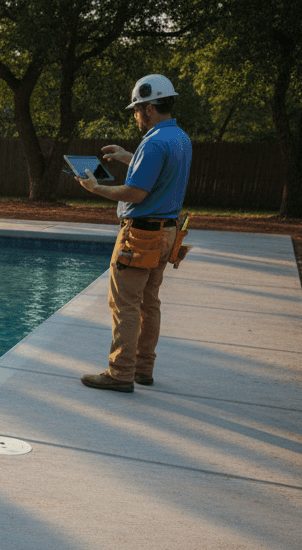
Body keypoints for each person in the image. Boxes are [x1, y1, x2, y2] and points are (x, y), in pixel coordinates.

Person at [74, 74, 192, 393]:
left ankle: (120, 372)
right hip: (168, 232)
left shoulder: (153, 142)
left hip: (140, 236)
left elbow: (137, 193)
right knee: (149, 301)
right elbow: (160, 173)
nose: (136, 115)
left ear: (149, 107)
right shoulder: (179, 138)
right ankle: (143, 368)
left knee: (125, 303)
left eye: (137, 109)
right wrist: (129, 157)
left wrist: (97, 188)